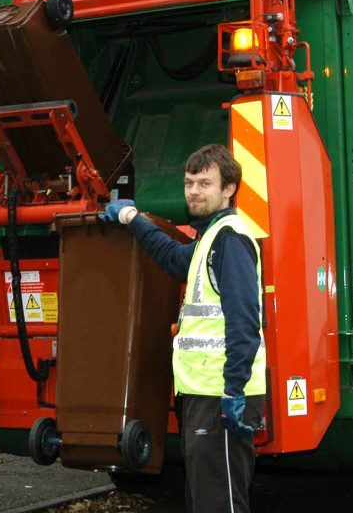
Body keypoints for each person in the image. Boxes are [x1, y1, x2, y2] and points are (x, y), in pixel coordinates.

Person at [99, 144, 265, 513]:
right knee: (206, 500)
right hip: (204, 395)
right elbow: (173, 257)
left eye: (205, 183)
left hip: (222, 396)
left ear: (229, 189)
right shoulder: (209, 239)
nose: (193, 191)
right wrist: (133, 219)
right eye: (189, 183)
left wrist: (233, 392)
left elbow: (244, 323)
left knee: (220, 504)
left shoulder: (231, 240)